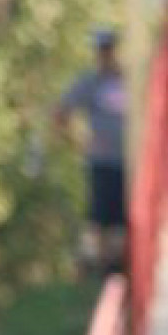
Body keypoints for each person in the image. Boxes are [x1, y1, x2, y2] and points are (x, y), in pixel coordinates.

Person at [54, 27, 132, 272]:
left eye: (109, 49)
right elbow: (61, 112)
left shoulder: (127, 79)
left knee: (123, 216)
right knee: (100, 218)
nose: (106, 55)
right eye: (102, 50)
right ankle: (105, 269)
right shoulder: (90, 82)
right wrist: (78, 143)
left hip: (127, 158)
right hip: (102, 159)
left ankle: (120, 266)